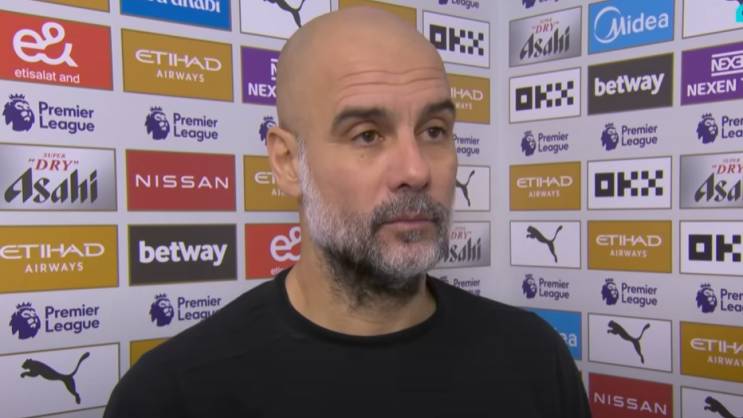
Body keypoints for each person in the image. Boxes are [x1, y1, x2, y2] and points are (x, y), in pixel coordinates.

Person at [104, 7, 591, 417]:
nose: (416, 170)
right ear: (288, 163)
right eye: (367, 135)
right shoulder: (171, 397)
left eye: (434, 130)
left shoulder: (533, 358)